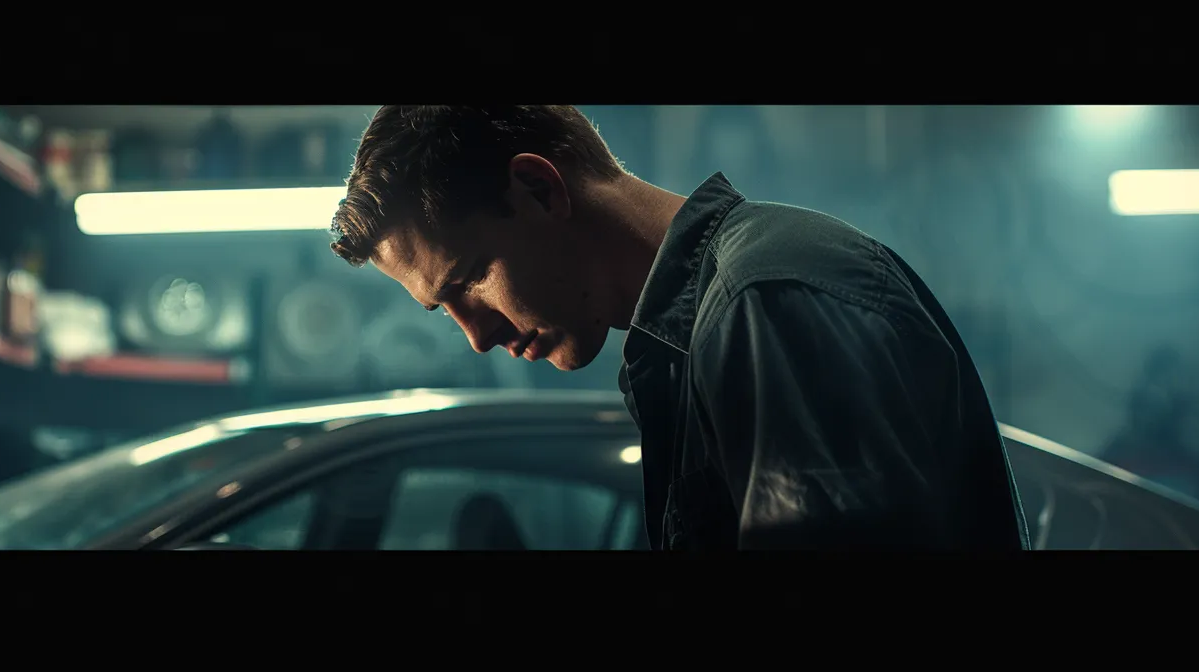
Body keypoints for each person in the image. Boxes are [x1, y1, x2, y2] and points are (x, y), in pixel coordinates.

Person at [328, 105, 1029, 550]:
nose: (476, 335)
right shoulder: (709, 326)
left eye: (470, 278)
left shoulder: (764, 301)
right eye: (443, 309)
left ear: (540, 189)